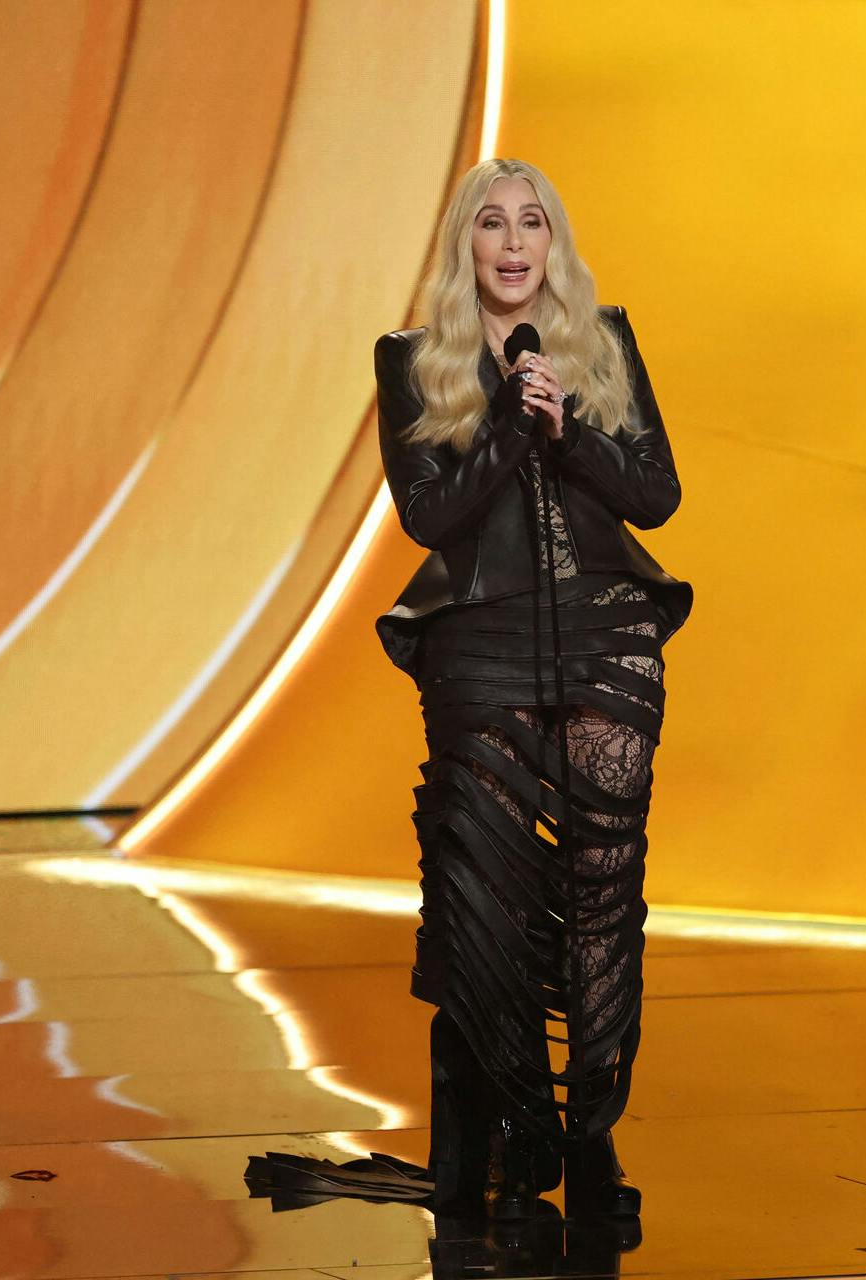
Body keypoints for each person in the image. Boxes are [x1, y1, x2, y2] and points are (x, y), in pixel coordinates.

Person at [245, 157, 691, 1225]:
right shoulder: (413, 360)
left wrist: (567, 428)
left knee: (597, 896)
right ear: (467, 246)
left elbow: (656, 494)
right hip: (477, 646)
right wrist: (506, 421)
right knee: (481, 896)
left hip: (603, 634)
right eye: (489, 222)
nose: (510, 241)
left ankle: (589, 1133)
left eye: (530, 222)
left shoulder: (602, 340)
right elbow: (431, 516)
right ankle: (504, 1121)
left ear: (552, 243)